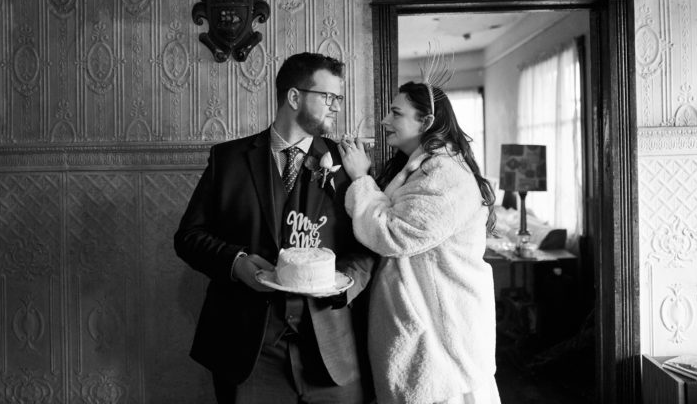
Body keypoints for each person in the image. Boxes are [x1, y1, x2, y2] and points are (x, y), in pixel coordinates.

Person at [175, 52, 376, 404]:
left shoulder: (349, 163)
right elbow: (189, 237)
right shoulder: (228, 160)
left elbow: (369, 244)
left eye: (339, 98)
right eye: (328, 96)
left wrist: (344, 283)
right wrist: (236, 263)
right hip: (247, 351)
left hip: (332, 351)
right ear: (294, 97)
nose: (337, 107)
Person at [337, 80, 501, 404]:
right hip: (426, 320)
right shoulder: (421, 167)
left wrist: (360, 178)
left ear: (426, 122)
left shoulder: (446, 175)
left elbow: (392, 235)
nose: (385, 120)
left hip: (443, 337)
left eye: (396, 113)